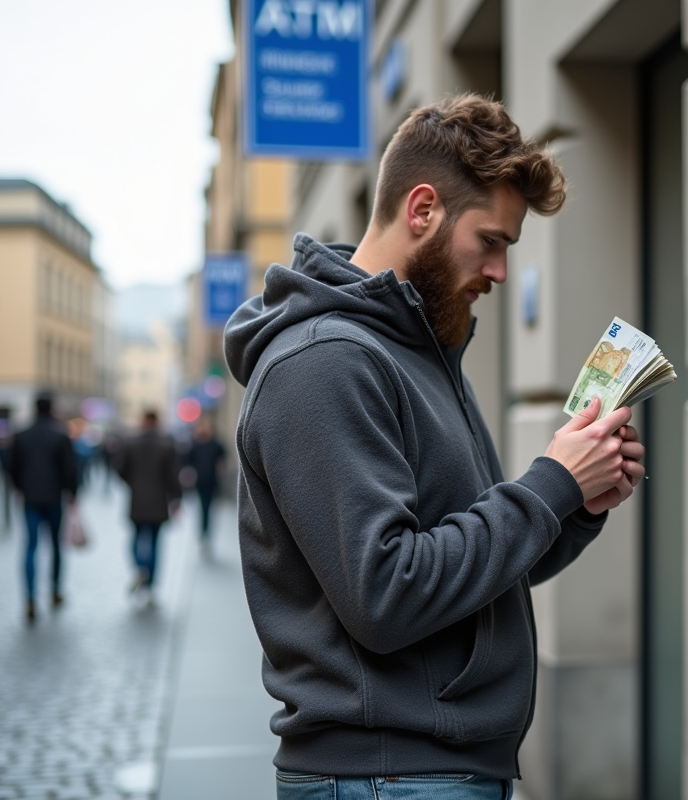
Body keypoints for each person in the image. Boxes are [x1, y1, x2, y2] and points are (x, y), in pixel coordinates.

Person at [224, 94, 646, 799]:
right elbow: (388, 595)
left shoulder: (418, 350)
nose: (501, 273)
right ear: (423, 210)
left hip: (425, 771)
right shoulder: (326, 360)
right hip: (387, 775)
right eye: (492, 241)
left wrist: (574, 501)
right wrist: (547, 484)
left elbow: (462, 576)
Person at [8, 392, 78, 621]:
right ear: (52, 408)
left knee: (30, 545)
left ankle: (29, 596)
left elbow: (11, 467)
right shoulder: (59, 435)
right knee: (56, 546)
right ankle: (55, 590)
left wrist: (20, 487)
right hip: (53, 497)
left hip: (30, 498)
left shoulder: (22, 435)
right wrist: (73, 494)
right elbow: (70, 469)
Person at [116, 410, 181, 605]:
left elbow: (119, 469)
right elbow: (172, 476)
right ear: (157, 421)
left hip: (137, 500)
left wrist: (133, 484)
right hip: (158, 502)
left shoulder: (130, 442)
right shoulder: (166, 444)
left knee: (136, 537)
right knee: (154, 542)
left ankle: (139, 567)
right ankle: (150, 584)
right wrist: (176, 498)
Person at [184, 417, 226, 550]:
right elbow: (187, 461)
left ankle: (206, 532)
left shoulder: (215, 444)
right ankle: (203, 532)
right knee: (202, 507)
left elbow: (223, 460)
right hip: (200, 482)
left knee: (208, 508)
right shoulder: (195, 444)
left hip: (212, 481)